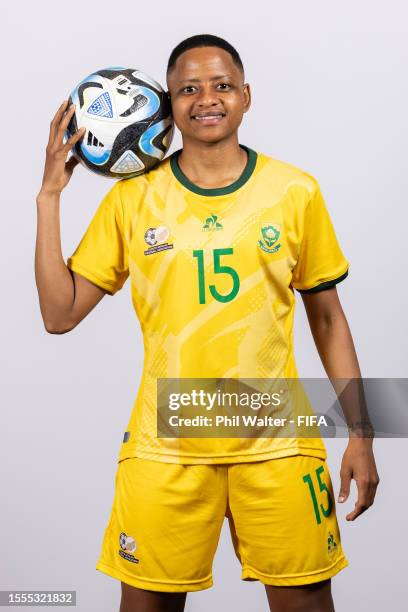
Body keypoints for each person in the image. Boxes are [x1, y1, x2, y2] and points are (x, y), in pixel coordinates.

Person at [35, 34, 380, 612]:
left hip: (278, 446)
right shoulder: (131, 200)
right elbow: (58, 313)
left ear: (246, 96)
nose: (206, 99)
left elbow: (328, 319)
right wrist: (50, 195)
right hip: (164, 447)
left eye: (221, 85)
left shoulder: (294, 191)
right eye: (187, 89)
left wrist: (362, 435)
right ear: (167, 107)